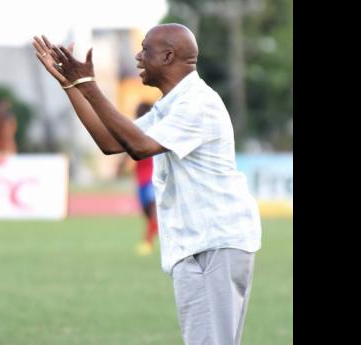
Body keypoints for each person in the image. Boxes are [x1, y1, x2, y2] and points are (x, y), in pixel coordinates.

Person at [33, 23, 261, 345]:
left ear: (168, 56)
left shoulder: (198, 104)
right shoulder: (172, 105)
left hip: (215, 244)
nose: (138, 57)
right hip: (199, 246)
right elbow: (113, 143)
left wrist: (89, 86)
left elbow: (139, 147)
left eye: (146, 50)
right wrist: (73, 86)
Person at [116, 102, 158, 256]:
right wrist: (120, 167)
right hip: (141, 180)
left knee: (154, 211)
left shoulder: (154, 132)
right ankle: (153, 240)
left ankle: (147, 242)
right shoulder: (137, 131)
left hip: (152, 179)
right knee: (148, 214)